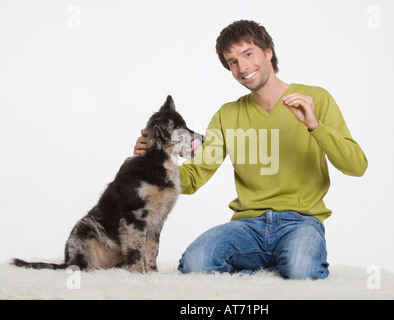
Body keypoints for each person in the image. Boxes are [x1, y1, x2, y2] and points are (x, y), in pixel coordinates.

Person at [134, 20, 368, 279]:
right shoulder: (227, 114)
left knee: (302, 270)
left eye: (248, 54)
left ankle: (280, 264)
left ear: (268, 52)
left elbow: (356, 167)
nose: (242, 67)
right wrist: (155, 161)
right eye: (232, 62)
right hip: (247, 226)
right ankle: (271, 268)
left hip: (301, 222)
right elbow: (194, 178)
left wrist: (314, 125)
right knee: (196, 263)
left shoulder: (316, 99)